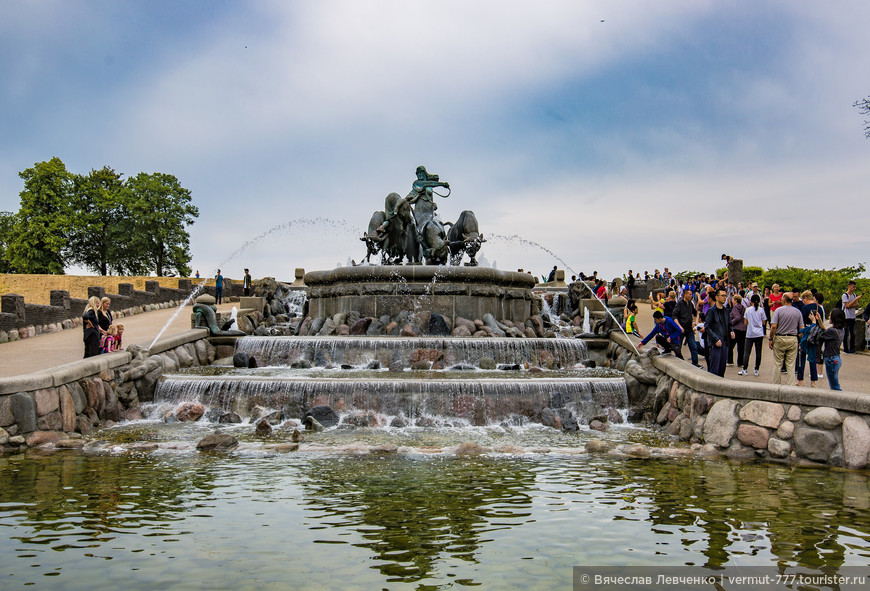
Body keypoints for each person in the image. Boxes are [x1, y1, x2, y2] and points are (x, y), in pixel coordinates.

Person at [768, 293, 804, 386]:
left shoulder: (778, 311)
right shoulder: (797, 312)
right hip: (792, 338)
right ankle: (790, 386)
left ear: (784, 299)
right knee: (791, 365)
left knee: (777, 363)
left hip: (780, 337)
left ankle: (776, 385)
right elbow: (801, 328)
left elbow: (773, 326)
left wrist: (771, 338)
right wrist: (799, 338)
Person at [797, 290, 823, 387]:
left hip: (806, 332)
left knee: (801, 356)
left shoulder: (804, 308)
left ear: (806, 298)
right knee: (812, 357)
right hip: (815, 334)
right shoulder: (819, 308)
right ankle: (813, 381)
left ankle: (800, 380)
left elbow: (801, 323)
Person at [704, 288, 733, 377]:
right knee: (714, 370)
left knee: (722, 369)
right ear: (716, 297)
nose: (724, 298)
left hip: (724, 342)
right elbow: (707, 327)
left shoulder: (726, 311)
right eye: (722, 296)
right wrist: (716, 338)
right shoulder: (711, 311)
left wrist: (732, 331)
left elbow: (729, 324)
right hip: (715, 343)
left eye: (725, 296)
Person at [817, 308, 845, 391]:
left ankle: (841, 401)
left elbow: (821, 335)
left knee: (834, 386)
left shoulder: (832, 331)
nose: (829, 317)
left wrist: (814, 323)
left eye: (830, 316)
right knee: (834, 384)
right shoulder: (840, 330)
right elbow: (827, 331)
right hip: (836, 358)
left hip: (831, 359)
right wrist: (820, 322)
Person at [740, 294, 766, 376]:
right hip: (759, 333)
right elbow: (764, 321)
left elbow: (745, 322)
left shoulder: (748, 310)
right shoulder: (761, 310)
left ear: (750, 301)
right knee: (758, 352)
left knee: (747, 352)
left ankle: (745, 368)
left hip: (750, 333)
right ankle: (756, 369)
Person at [673, 289, 700, 367]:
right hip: (681, 329)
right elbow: (674, 316)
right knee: (678, 346)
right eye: (689, 294)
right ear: (685, 295)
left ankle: (695, 363)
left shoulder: (690, 304)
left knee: (693, 346)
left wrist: (694, 322)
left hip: (689, 329)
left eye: (691, 294)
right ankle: (678, 362)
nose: (691, 296)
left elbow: (695, 313)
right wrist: (679, 326)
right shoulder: (680, 304)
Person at [842, 280, 863, 354]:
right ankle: (846, 349)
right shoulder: (845, 295)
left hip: (852, 316)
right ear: (849, 286)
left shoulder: (853, 295)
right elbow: (847, 306)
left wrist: (852, 304)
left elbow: (856, 305)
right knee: (846, 333)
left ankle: (852, 348)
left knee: (853, 333)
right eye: (853, 287)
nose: (854, 288)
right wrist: (856, 300)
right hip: (846, 316)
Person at [728, 294, 747, 368]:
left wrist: (731, 322)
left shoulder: (735, 308)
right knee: (741, 346)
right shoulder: (743, 307)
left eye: (733, 299)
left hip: (736, 328)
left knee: (730, 345)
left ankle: (730, 360)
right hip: (743, 329)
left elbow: (737, 317)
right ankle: (740, 362)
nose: (732, 301)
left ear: (735, 300)